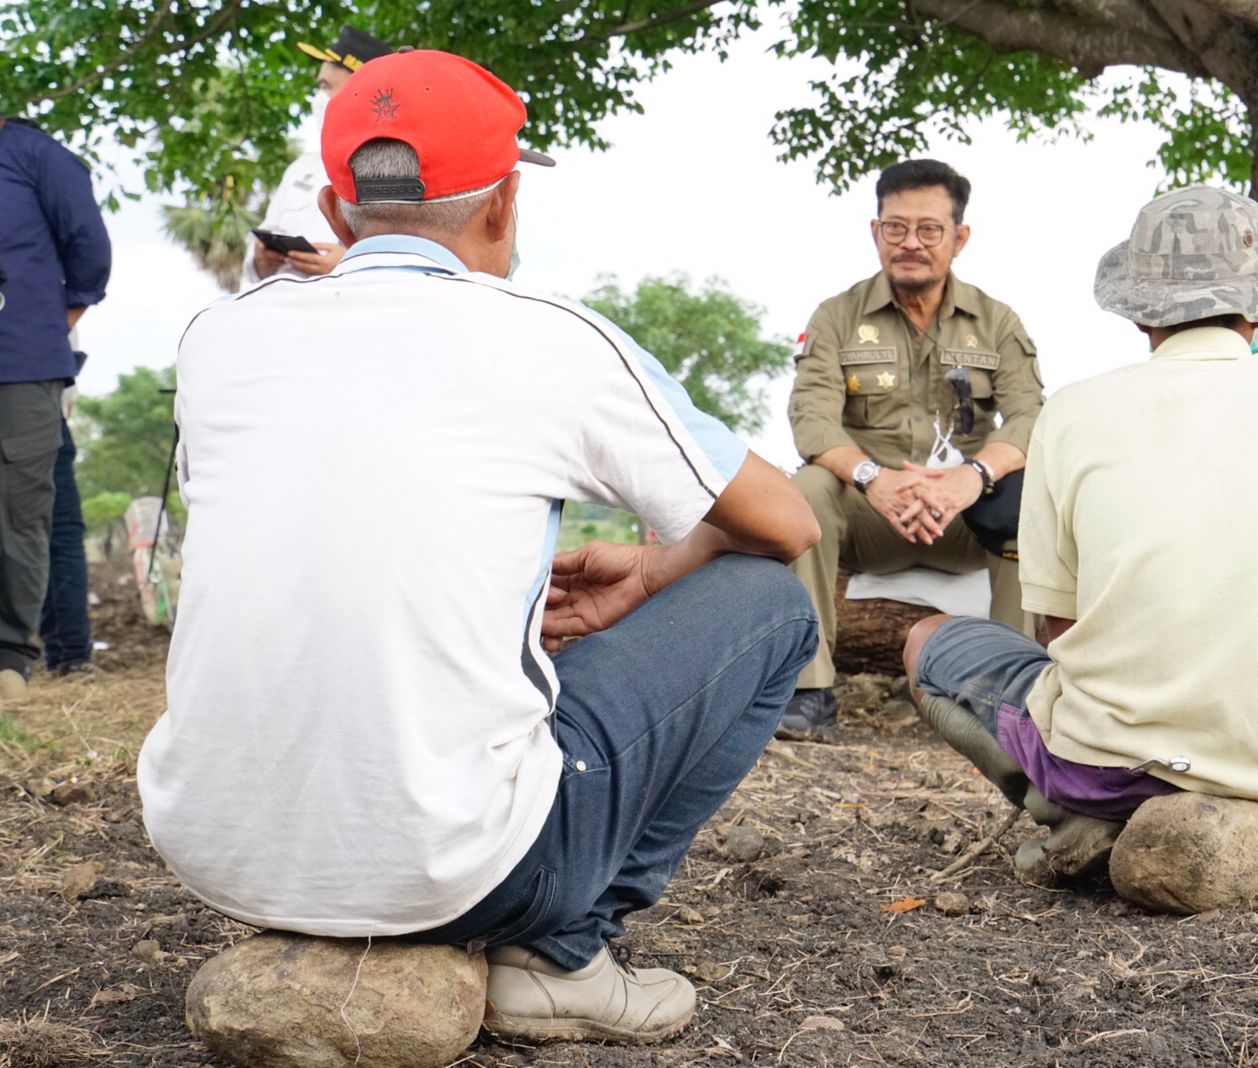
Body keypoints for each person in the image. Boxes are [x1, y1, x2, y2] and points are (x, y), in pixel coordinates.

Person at [137, 49, 820, 1045]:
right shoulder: (549, 337)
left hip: (219, 852)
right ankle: (563, 950)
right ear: (503, 206)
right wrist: (655, 569)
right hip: (465, 872)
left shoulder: (216, 340)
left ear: (334, 213)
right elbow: (787, 523)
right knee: (770, 602)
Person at [902, 187, 1258, 873]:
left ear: (1140, 312)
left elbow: (1058, 632)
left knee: (925, 641)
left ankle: (1075, 812)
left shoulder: (1072, 411)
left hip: (1100, 764)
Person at [780, 158, 1044, 742]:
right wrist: (874, 477)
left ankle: (1007, 699)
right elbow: (811, 419)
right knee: (805, 489)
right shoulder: (836, 317)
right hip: (871, 511)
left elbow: (1031, 415)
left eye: (929, 229)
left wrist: (972, 477)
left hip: (965, 517)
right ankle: (809, 690)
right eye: (895, 228)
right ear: (875, 233)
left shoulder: (997, 321)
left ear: (959, 238)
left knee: (1031, 495)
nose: (911, 243)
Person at [0, 116, 111, 701]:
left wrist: (50, 320)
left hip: (22, 365)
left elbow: (90, 251)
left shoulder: (34, 156)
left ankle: (12, 656)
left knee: (25, 510)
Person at [239, 25, 393, 288]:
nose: (318, 98)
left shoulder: (400, 169)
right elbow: (251, 266)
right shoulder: (301, 168)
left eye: (327, 86)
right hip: (281, 316)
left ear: (364, 90)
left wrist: (351, 264)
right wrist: (260, 262)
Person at [39, 350, 93, 674]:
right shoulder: (50, 301)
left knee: (53, 536)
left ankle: (67, 654)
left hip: (44, 406)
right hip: (41, 406)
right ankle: (70, 656)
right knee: (62, 534)